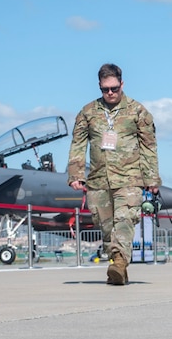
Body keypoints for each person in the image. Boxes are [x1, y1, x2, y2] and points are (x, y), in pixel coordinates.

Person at [66, 63, 159, 286]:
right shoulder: (87, 113)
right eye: (105, 89)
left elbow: (149, 146)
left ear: (122, 84)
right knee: (106, 226)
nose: (110, 93)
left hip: (130, 178)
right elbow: (78, 144)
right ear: (99, 86)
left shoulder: (138, 112)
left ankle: (118, 263)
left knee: (125, 220)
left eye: (114, 88)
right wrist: (75, 174)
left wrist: (152, 178)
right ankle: (118, 263)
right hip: (98, 180)